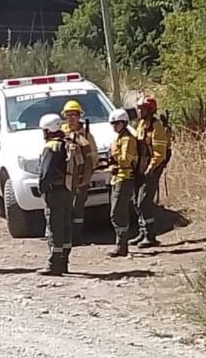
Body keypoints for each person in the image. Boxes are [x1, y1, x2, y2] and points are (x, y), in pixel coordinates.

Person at [36, 113, 73, 276]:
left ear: (48, 130)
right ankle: (64, 261)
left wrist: (42, 189)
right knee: (65, 226)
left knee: (54, 227)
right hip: (67, 190)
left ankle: (54, 264)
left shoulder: (51, 146)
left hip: (55, 192)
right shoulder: (66, 143)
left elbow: (46, 172)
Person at [60, 99, 98, 249]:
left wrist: (88, 172)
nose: (71, 118)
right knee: (66, 207)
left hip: (82, 178)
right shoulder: (61, 132)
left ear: (79, 116)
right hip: (67, 177)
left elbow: (93, 155)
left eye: (74, 115)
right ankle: (66, 236)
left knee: (78, 207)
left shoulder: (87, 135)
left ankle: (77, 236)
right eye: (68, 115)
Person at [132, 96, 169, 247]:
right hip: (140, 167)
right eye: (139, 108)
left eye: (142, 108)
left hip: (152, 168)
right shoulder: (141, 124)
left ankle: (150, 235)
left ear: (150, 110)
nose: (139, 111)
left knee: (144, 202)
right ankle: (142, 232)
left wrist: (150, 168)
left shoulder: (157, 127)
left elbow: (160, 153)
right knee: (136, 201)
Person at [106, 109, 138, 258]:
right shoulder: (119, 138)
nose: (114, 126)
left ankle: (122, 245)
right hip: (117, 178)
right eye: (112, 123)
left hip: (125, 178)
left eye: (117, 123)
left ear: (124, 123)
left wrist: (113, 152)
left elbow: (125, 161)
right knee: (117, 212)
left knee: (117, 212)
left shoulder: (128, 140)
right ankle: (121, 244)